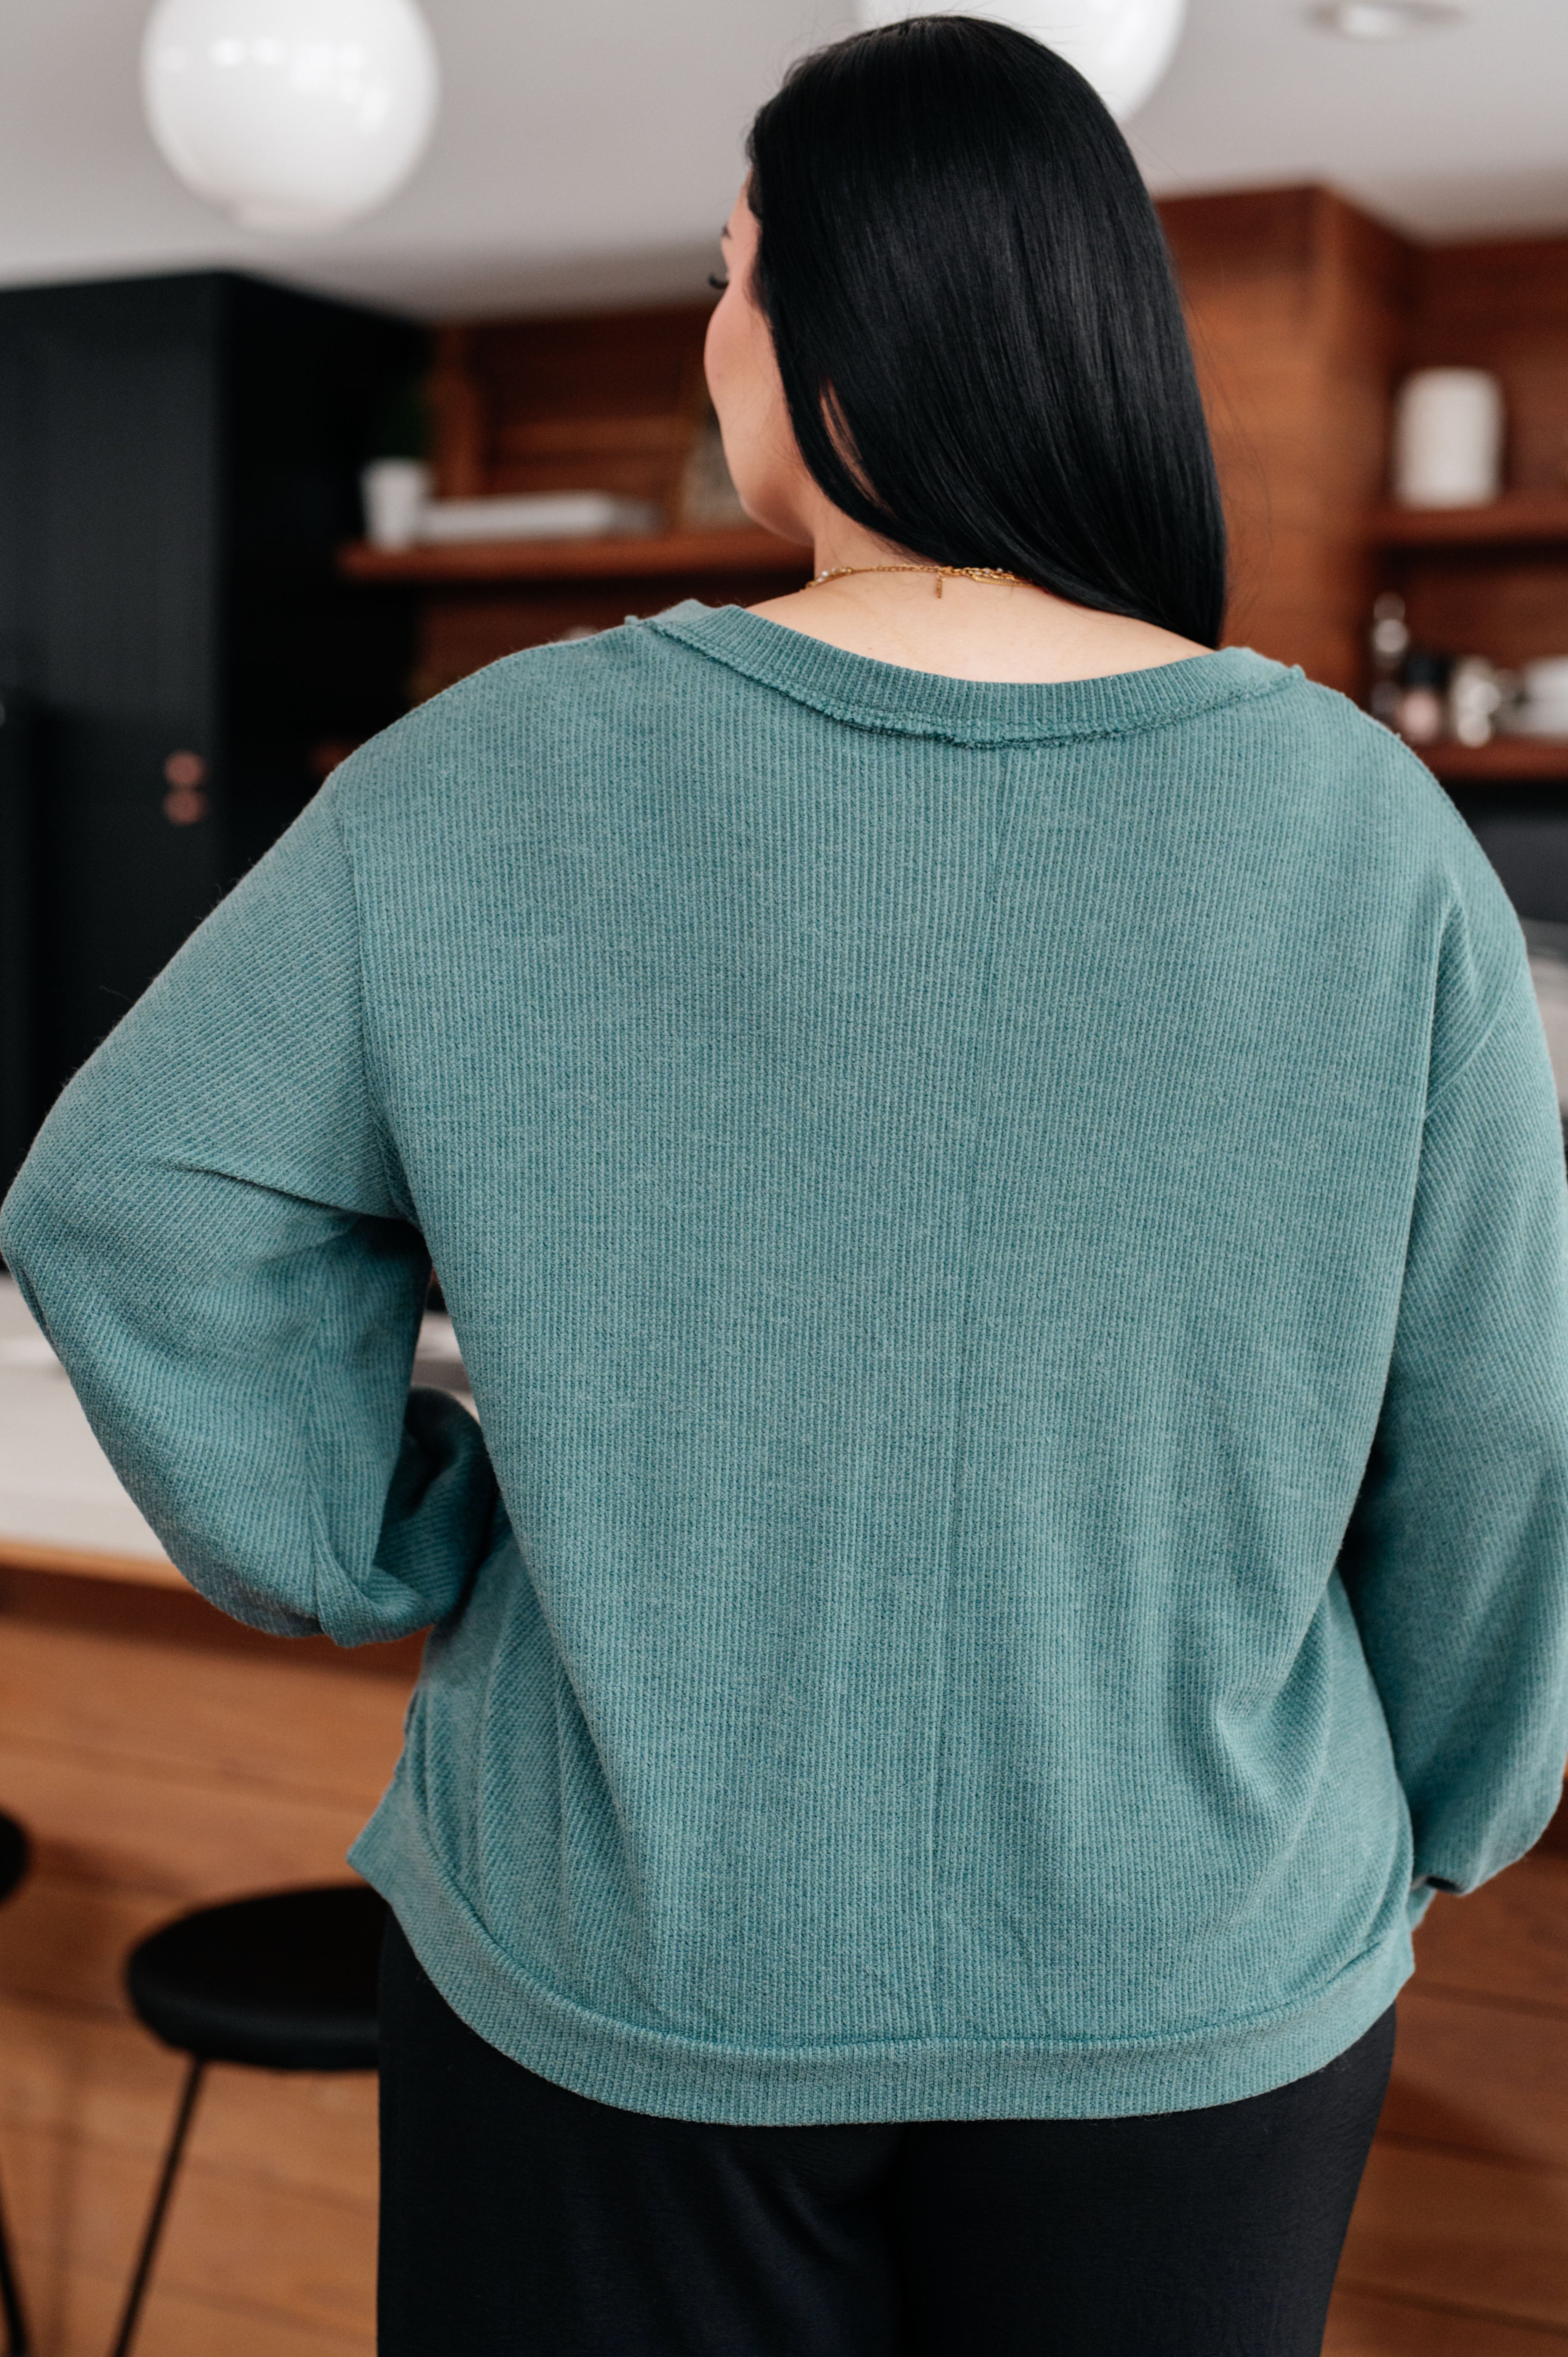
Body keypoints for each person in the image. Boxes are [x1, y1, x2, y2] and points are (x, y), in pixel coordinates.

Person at [4, 16, 1567, 2355]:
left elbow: (135, 1197)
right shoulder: (1366, 829)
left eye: (728, 268)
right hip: (1195, 1968)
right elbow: (1505, 1422)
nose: (711, 327)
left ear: (834, 317)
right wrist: (1438, 1807)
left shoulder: (492, 770)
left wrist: (392, 1535)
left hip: (625, 1945)